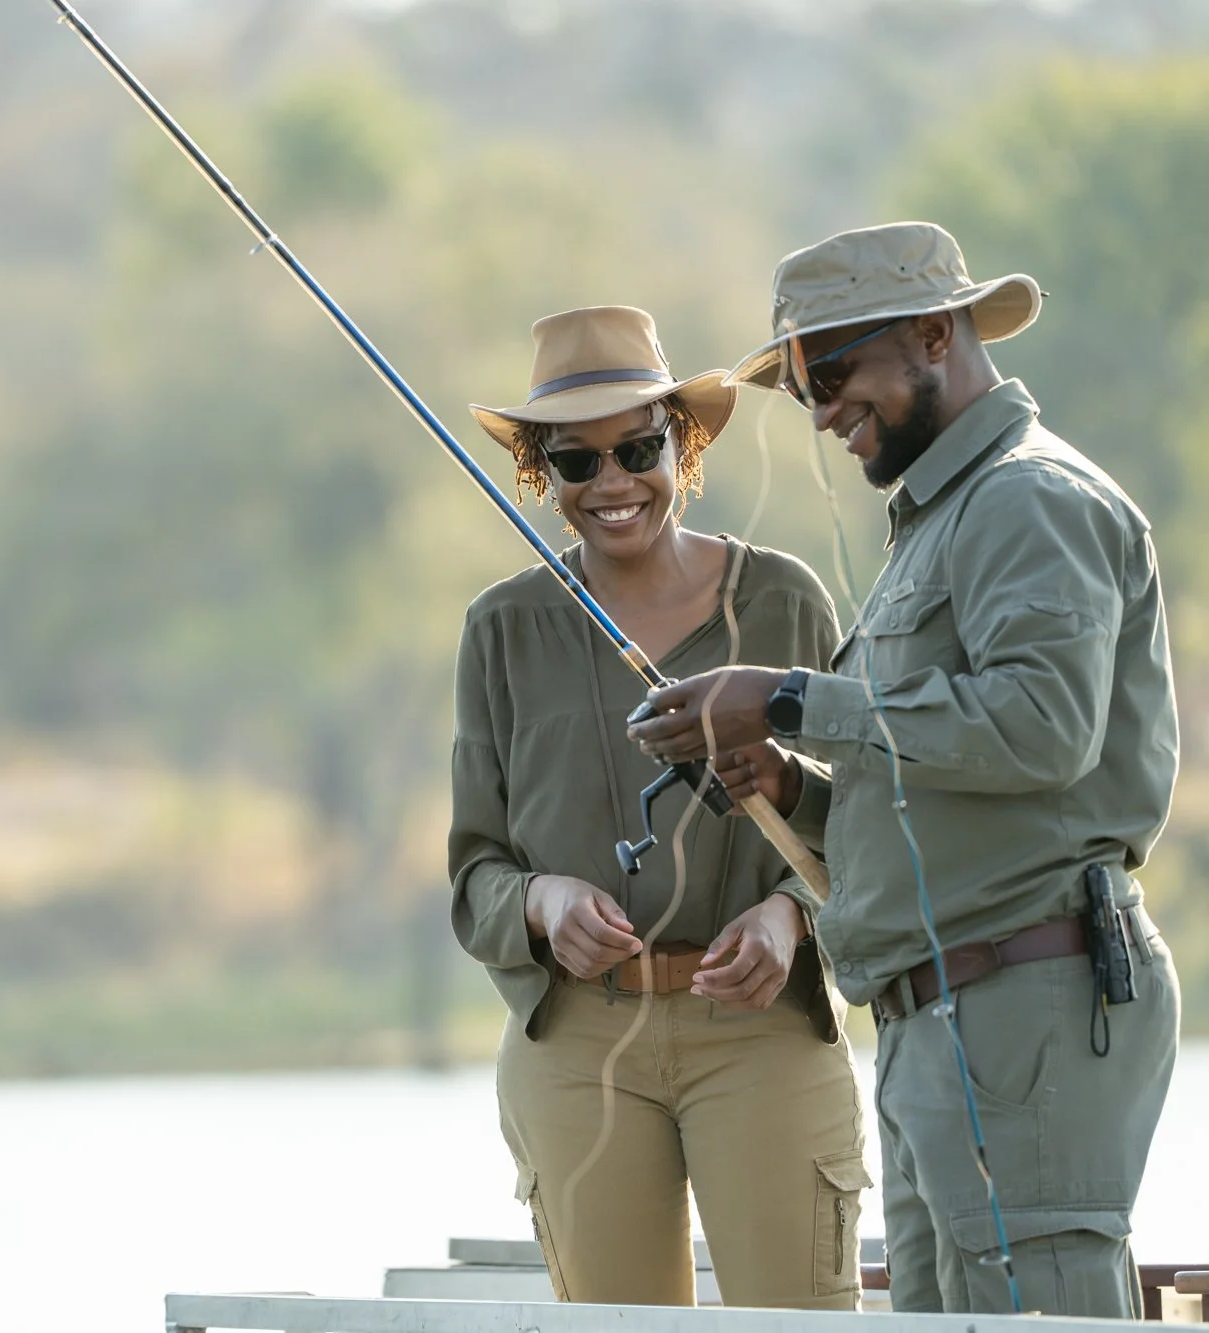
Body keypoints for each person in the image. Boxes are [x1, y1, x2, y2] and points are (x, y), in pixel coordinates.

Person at [627, 222, 1183, 1318]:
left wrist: (788, 697)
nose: (821, 410)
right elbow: (941, 781)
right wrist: (791, 787)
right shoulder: (938, 521)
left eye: (830, 373)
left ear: (934, 334)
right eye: (799, 388)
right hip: (937, 1015)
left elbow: (1041, 729)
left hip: (1026, 1004)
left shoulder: (1028, 500)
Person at [449, 305, 867, 1310]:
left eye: (635, 447)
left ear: (681, 446)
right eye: (574, 463)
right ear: (538, 475)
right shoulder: (499, 629)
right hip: (577, 1045)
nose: (610, 484)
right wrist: (542, 904)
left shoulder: (782, 599)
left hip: (763, 1028)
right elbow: (475, 876)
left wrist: (788, 915)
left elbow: (866, 824)